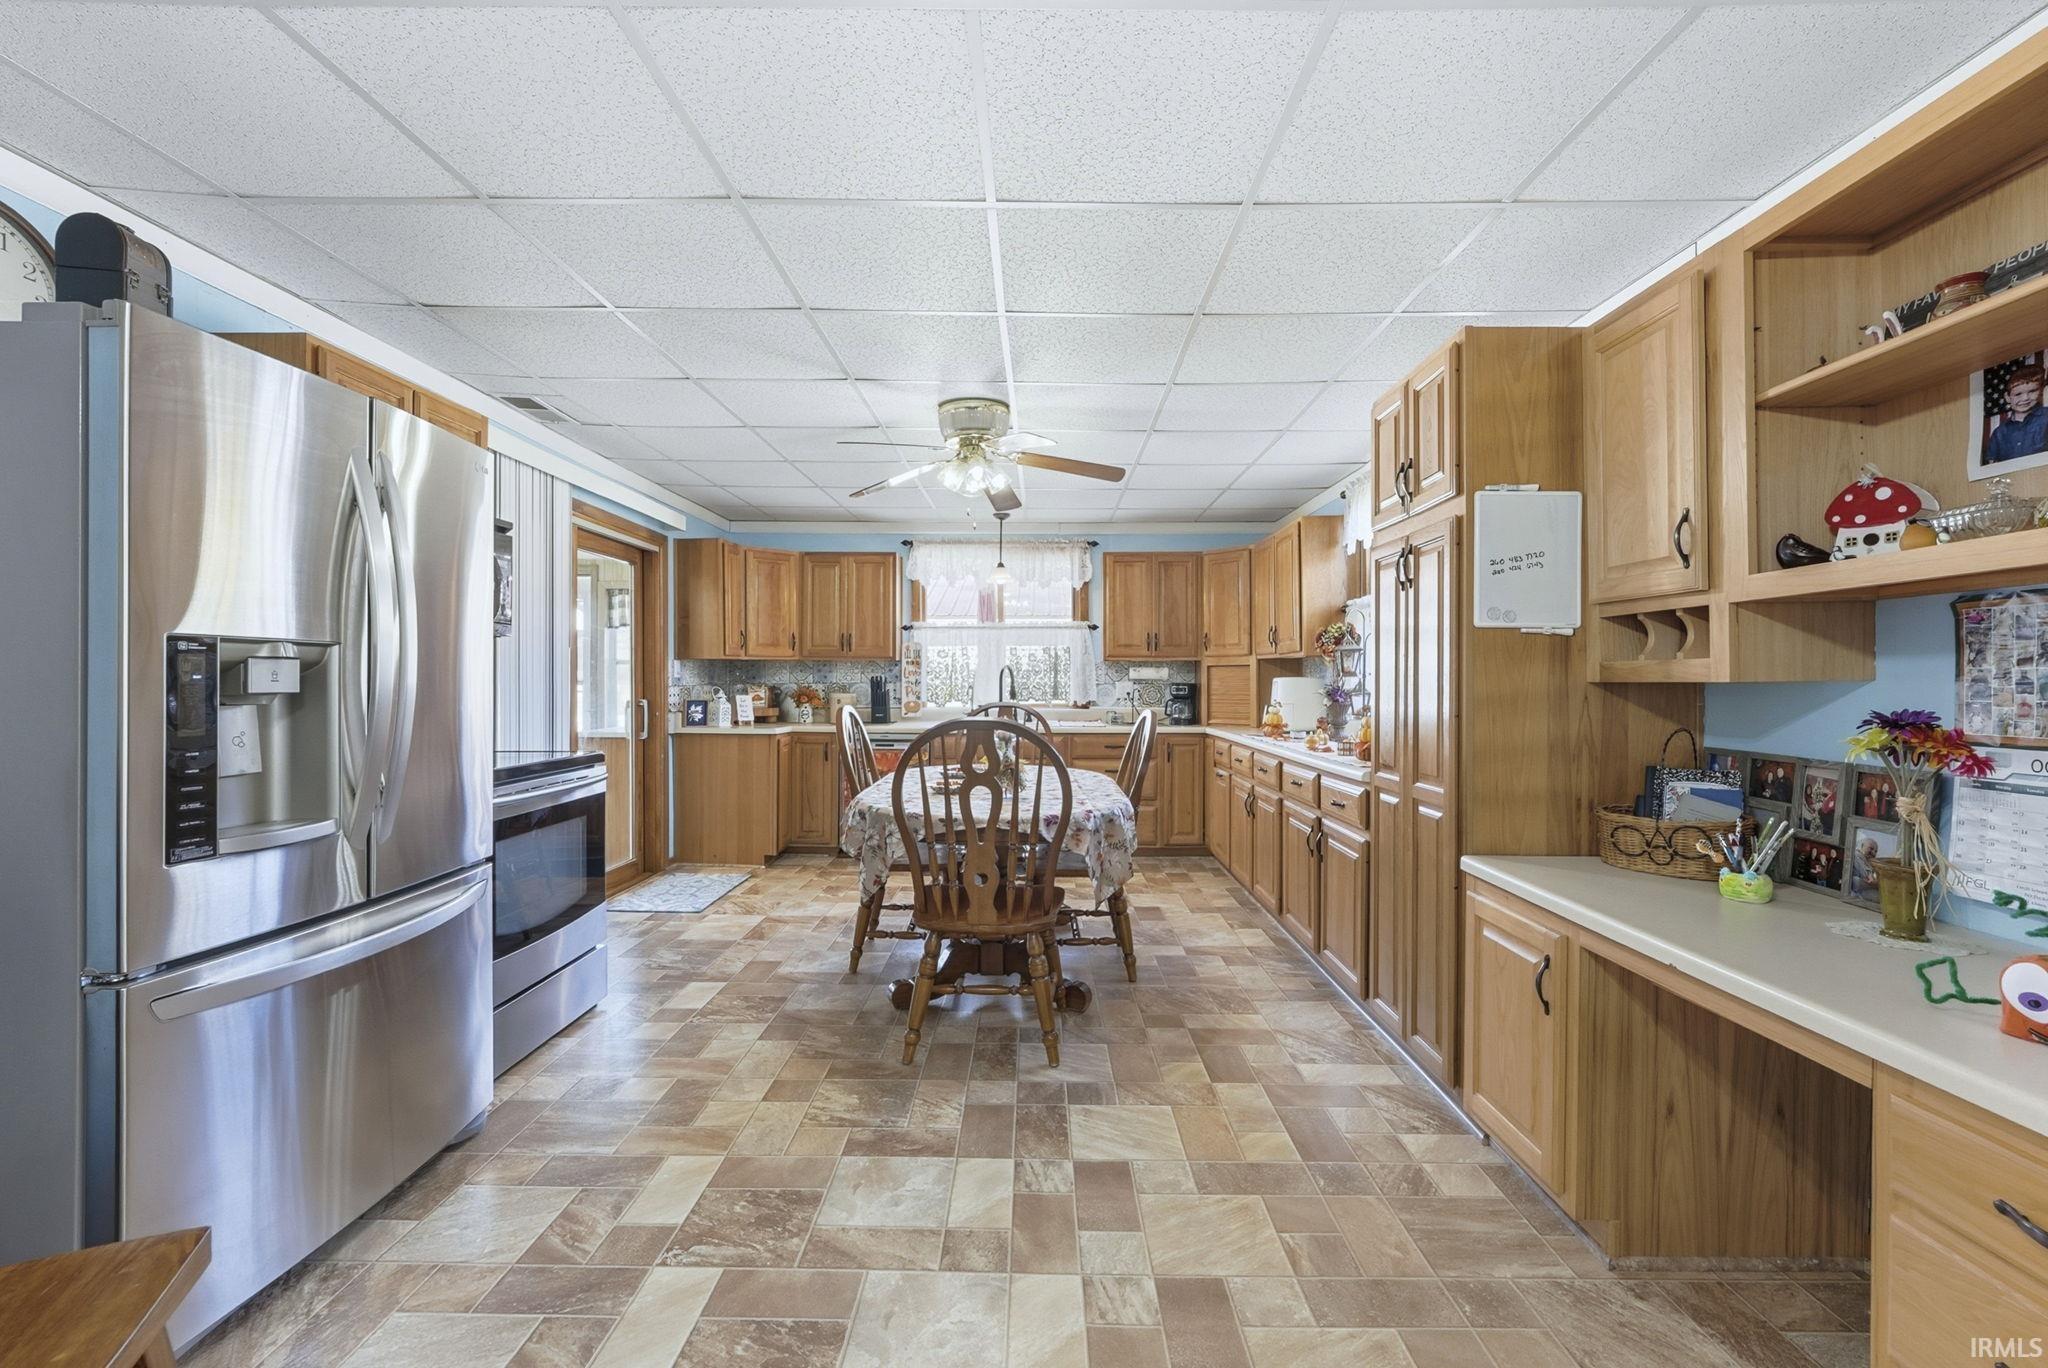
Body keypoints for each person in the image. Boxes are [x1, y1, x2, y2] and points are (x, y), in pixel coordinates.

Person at [1985, 363, 2048, 464]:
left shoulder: (2046, 417)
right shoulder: (1999, 432)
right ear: (2008, 397)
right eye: (2018, 394)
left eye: (2032, 391)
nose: (2025, 398)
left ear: (2040, 391)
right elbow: (1992, 464)